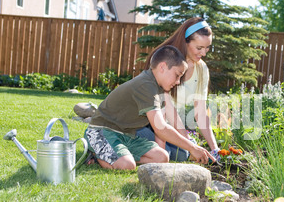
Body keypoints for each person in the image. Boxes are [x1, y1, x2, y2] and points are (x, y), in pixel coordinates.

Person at [84, 45, 215, 170]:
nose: (177, 82)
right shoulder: (145, 85)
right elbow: (161, 128)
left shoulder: (160, 89)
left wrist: (161, 157)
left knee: (162, 157)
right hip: (101, 131)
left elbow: (160, 128)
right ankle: (97, 154)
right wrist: (192, 147)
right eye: (177, 75)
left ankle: (116, 155)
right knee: (127, 165)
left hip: (127, 135)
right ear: (162, 67)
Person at [137, 17, 221, 162]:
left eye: (207, 48)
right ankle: (115, 147)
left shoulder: (202, 69)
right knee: (172, 152)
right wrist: (190, 143)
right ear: (185, 41)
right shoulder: (166, 61)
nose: (204, 53)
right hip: (144, 122)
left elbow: (200, 112)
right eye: (199, 48)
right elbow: (167, 108)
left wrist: (215, 149)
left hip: (166, 128)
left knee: (182, 155)